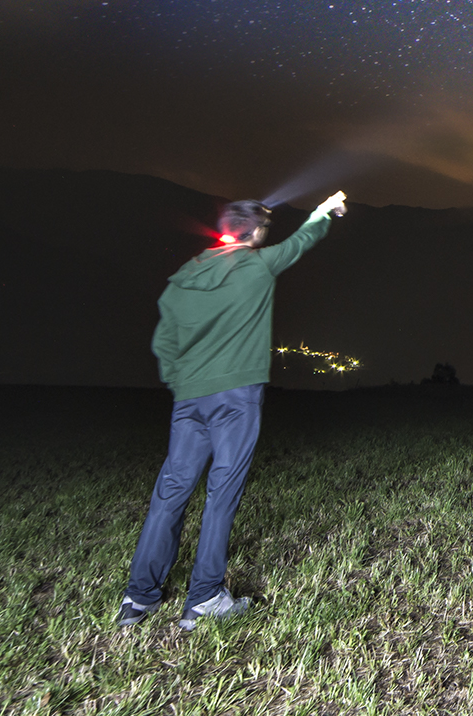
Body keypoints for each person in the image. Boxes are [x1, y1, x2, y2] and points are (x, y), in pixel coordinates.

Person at [117, 190, 347, 630]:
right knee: (221, 494)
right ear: (255, 231)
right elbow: (302, 240)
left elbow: (164, 342)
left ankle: (139, 597)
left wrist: (183, 382)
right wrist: (325, 211)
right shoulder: (258, 265)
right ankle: (204, 597)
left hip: (190, 399)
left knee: (170, 493)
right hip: (237, 398)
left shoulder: (185, 275)